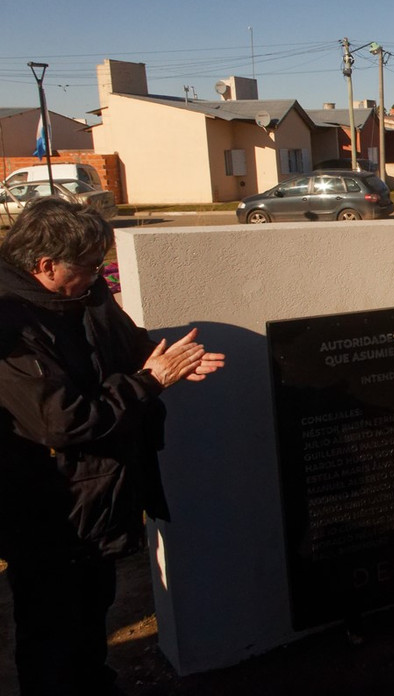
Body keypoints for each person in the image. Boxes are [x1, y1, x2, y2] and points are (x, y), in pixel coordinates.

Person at [0, 199, 225, 695]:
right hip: (49, 510)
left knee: (92, 613)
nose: (97, 275)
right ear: (45, 266)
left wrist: (168, 361)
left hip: (104, 495)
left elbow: (124, 342)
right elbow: (62, 420)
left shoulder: (84, 291)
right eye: (87, 268)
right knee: (53, 634)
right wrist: (148, 382)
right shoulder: (10, 325)